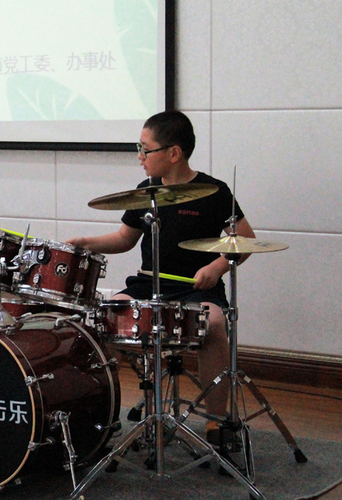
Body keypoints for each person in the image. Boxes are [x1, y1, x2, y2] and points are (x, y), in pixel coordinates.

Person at [67, 110, 255, 444]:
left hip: (196, 289)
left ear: (174, 153)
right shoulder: (146, 191)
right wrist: (85, 242)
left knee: (213, 324)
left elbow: (245, 240)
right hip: (148, 284)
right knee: (106, 318)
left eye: (145, 149)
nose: (139, 156)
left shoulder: (215, 192)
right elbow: (124, 239)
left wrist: (217, 267)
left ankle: (216, 421)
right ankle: (99, 418)